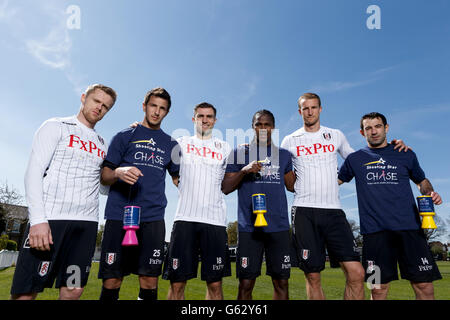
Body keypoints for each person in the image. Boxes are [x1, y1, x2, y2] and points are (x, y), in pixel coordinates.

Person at [281, 93, 409, 300]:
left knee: (357, 273)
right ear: (300, 112)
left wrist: (391, 148)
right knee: (313, 275)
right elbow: (287, 180)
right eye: (305, 108)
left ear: (320, 109)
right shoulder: (290, 140)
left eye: (314, 107)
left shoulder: (335, 135)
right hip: (304, 210)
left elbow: (359, 159)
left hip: (334, 212)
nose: (310, 111)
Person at [10, 84, 117, 300]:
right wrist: (38, 220)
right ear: (83, 98)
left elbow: (104, 188)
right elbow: (33, 172)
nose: (99, 108)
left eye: (105, 106)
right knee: (27, 291)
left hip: (85, 226)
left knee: (73, 288)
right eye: (96, 101)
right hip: (51, 221)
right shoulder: (55, 126)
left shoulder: (102, 143)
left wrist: (119, 173)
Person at [338, 112, 442, 300]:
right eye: (368, 128)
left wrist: (429, 193)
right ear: (362, 133)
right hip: (375, 234)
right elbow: (332, 181)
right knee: (377, 289)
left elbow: (421, 181)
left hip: (410, 231)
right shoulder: (355, 159)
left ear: (386, 128)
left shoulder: (405, 153)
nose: (374, 131)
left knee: (424, 286)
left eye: (378, 126)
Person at [98, 87, 180, 301]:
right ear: (144, 106)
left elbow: (180, 179)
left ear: (167, 113)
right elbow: (105, 176)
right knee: (112, 280)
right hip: (119, 215)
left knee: (149, 281)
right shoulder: (124, 136)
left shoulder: (172, 144)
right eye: (153, 106)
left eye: (162, 108)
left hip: (153, 219)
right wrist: (119, 172)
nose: (156, 112)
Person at [222, 109, 296, 300]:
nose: (263, 128)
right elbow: (226, 187)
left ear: (273, 127)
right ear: (252, 127)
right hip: (249, 228)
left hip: (278, 226)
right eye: (258, 124)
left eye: (267, 124)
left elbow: (292, 186)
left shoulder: (285, 155)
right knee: (246, 283)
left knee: (281, 282)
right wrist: (244, 171)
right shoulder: (239, 153)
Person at [162, 102, 232, 300]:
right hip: (185, 218)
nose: (205, 120)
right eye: (200, 116)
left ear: (215, 120)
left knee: (215, 285)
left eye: (209, 116)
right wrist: (138, 128)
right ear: (193, 119)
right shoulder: (180, 143)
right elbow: (155, 142)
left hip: (215, 221)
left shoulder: (225, 147)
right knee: (176, 283)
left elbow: (232, 179)